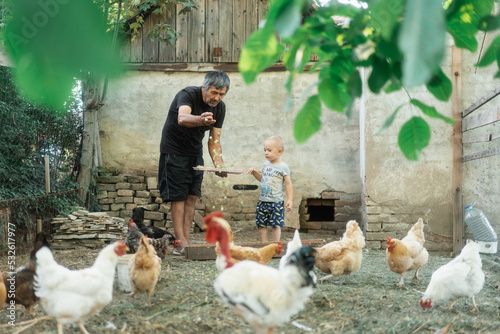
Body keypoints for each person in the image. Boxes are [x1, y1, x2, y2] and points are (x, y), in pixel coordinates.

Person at [158, 71, 230, 254]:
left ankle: (186, 241)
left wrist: (218, 163)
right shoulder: (187, 94)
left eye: (222, 94)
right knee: (178, 196)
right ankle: (179, 242)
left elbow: (214, 139)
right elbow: (182, 118)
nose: (217, 98)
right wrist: (200, 119)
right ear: (204, 88)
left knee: (192, 196)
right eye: (214, 93)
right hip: (174, 151)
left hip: (195, 152)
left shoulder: (220, 108)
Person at [248, 135, 293, 242]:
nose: (266, 153)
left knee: (275, 225)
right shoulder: (265, 165)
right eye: (264, 150)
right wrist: (255, 173)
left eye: (269, 150)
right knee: (261, 225)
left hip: (276, 202)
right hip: (262, 202)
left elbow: (288, 184)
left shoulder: (283, 167)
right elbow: (263, 179)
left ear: (279, 152)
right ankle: (264, 245)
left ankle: (275, 245)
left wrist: (290, 199)